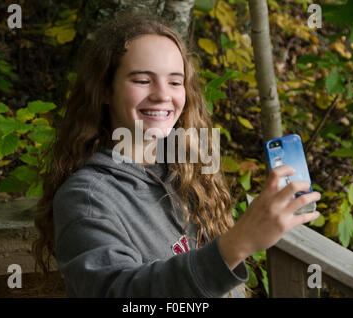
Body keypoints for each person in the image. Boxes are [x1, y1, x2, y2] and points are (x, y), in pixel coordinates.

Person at [32, 12, 321, 298]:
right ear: (105, 90)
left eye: (174, 81)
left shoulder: (189, 171)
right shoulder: (88, 196)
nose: (162, 95)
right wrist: (237, 243)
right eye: (142, 80)